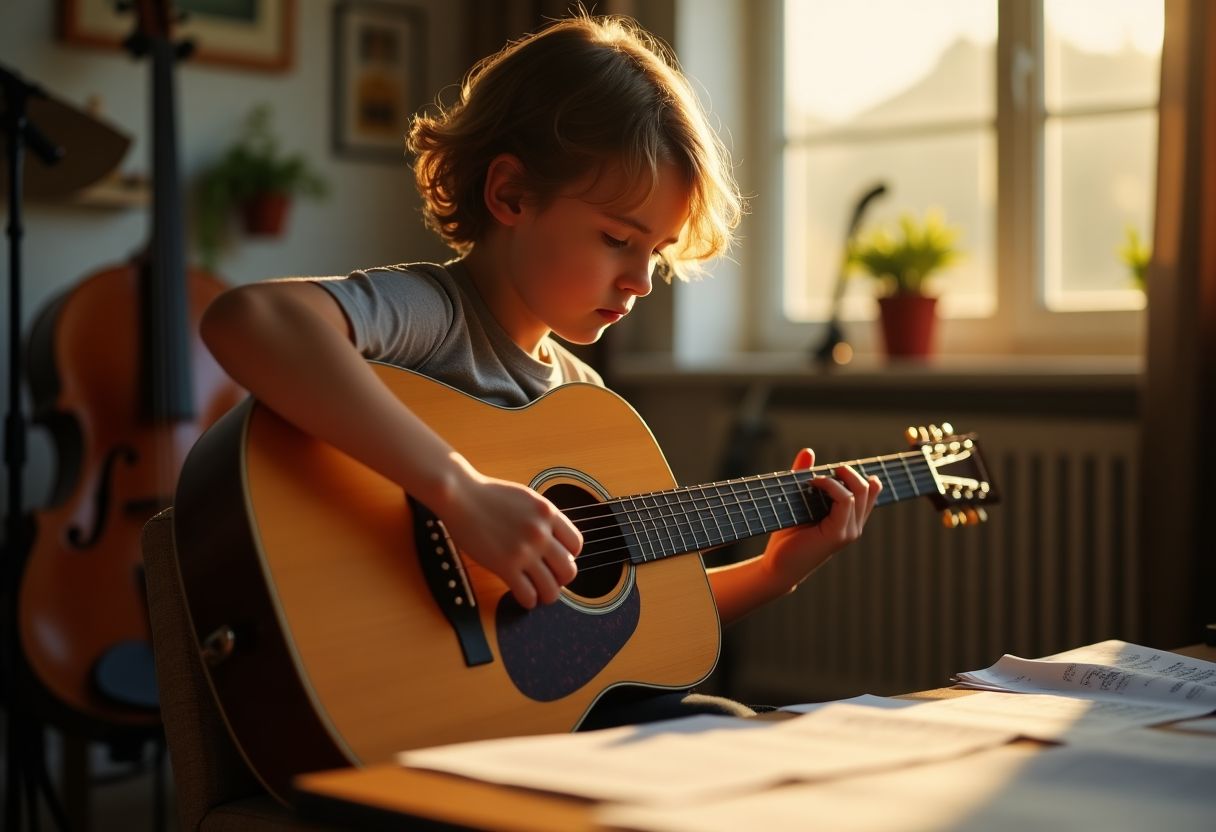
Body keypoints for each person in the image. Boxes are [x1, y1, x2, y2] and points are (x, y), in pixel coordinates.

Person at [200, 12, 881, 727]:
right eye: (619, 239)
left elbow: (621, 634)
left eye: (657, 251)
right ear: (511, 196)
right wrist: (458, 492)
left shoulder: (584, 399)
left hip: (532, 720)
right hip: (415, 713)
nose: (642, 280)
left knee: (745, 734)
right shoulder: (437, 315)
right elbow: (248, 320)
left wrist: (776, 572)